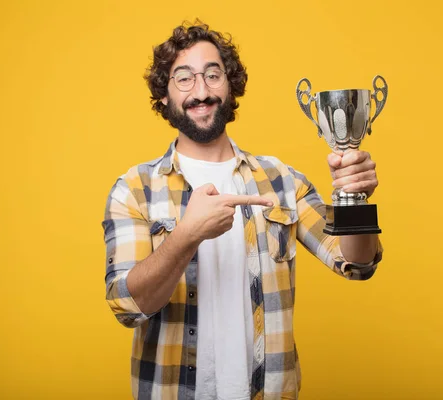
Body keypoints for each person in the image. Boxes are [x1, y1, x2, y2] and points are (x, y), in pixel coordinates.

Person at [102, 21, 383, 400]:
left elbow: (356, 264)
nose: (201, 91)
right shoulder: (134, 189)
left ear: (230, 84)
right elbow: (128, 306)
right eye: (184, 79)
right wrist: (187, 234)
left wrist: (355, 198)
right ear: (164, 96)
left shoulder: (282, 180)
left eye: (213, 74)